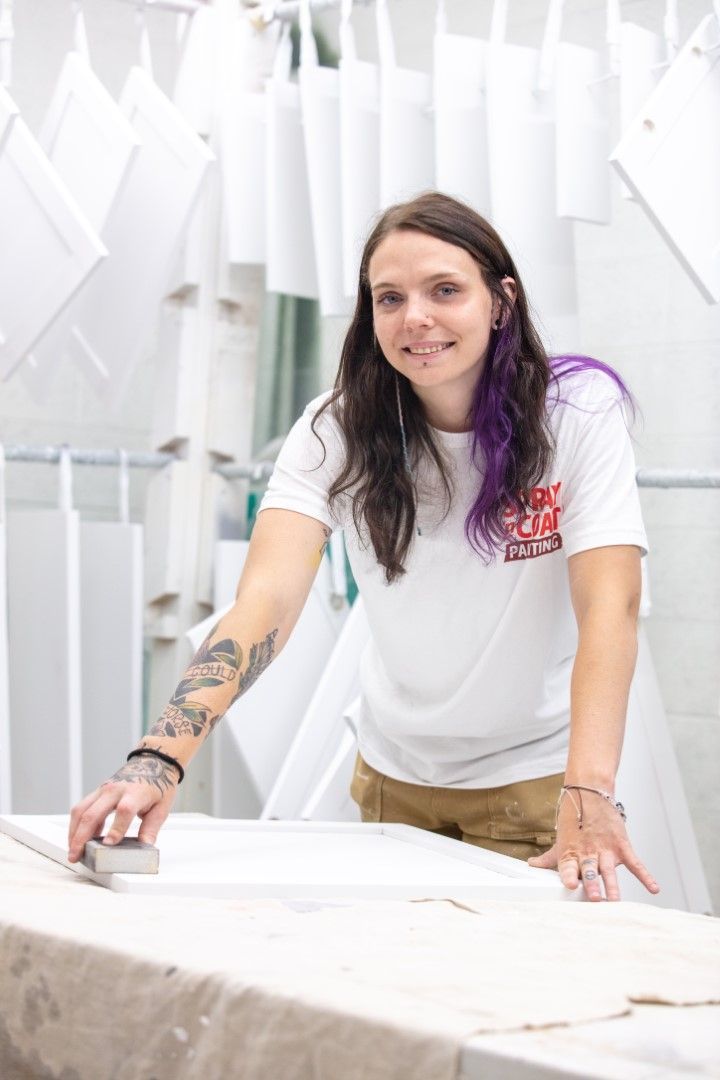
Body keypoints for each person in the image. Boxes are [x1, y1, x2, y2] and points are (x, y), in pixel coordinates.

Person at [68, 192, 660, 903]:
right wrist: (158, 758)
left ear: (501, 301)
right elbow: (267, 603)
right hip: (393, 779)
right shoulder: (336, 429)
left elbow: (610, 605)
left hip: (534, 785)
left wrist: (589, 791)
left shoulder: (577, 415)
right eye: (389, 297)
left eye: (445, 290)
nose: (416, 318)